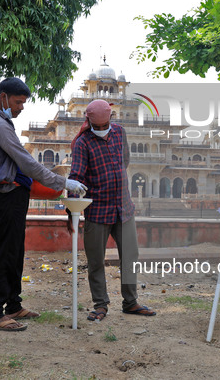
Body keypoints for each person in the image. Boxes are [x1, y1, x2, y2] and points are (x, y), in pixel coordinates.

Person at [0, 78, 87, 332]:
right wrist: (63, 182)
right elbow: (27, 163)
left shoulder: (0, 122)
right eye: (18, 102)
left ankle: (13, 305)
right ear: (3, 97)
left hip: (13, 193)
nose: (21, 107)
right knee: (6, 251)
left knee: (15, 251)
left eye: (23, 103)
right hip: (6, 193)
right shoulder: (0, 126)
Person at [67, 99, 156, 321]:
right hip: (97, 210)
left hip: (124, 207)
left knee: (130, 256)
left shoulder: (119, 132)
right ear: (88, 122)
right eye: (95, 127)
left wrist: (113, 178)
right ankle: (100, 304)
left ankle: (131, 302)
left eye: (103, 125)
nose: (100, 130)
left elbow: (124, 160)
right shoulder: (82, 143)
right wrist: (71, 210)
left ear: (110, 119)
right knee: (96, 260)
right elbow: (76, 176)